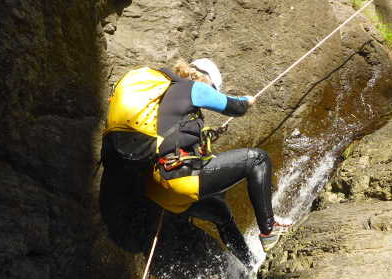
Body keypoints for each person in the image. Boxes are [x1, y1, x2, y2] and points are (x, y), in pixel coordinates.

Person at [101, 58, 288, 265]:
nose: (213, 91)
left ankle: (251, 265)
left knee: (220, 212)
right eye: (214, 87)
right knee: (257, 159)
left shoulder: (165, 99)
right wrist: (247, 101)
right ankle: (269, 229)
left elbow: (174, 141)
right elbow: (235, 107)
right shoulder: (193, 87)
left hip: (159, 190)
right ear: (203, 77)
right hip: (178, 177)